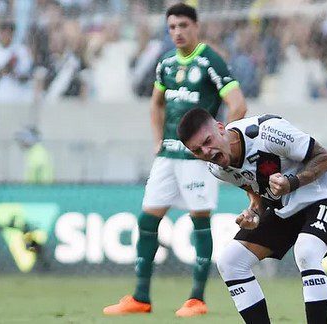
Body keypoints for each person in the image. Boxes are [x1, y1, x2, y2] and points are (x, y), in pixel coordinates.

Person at [103, 3, 247, 317]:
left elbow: (237, 104)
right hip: (167, 156)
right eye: (172, 27)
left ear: (196, 27)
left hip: (198, 160)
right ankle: (141, 297)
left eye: (183, 25)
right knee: (147, 220)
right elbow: (156, 104)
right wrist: (157, 140)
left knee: (199, 220)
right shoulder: (166, 62)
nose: (178, 32)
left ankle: (197, 298)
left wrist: (221, 147)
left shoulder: (211, 60)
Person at [177, 108, 327, 324]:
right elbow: (255, 189)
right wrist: (254, 210)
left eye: (207, 141)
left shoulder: (268, 133)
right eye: (197, 151)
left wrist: (292, 182)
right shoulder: (217, 168)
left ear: (220, 128)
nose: (206, 152)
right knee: (230, 262)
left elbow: (326, 157)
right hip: (287, 207)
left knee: (307, 250)